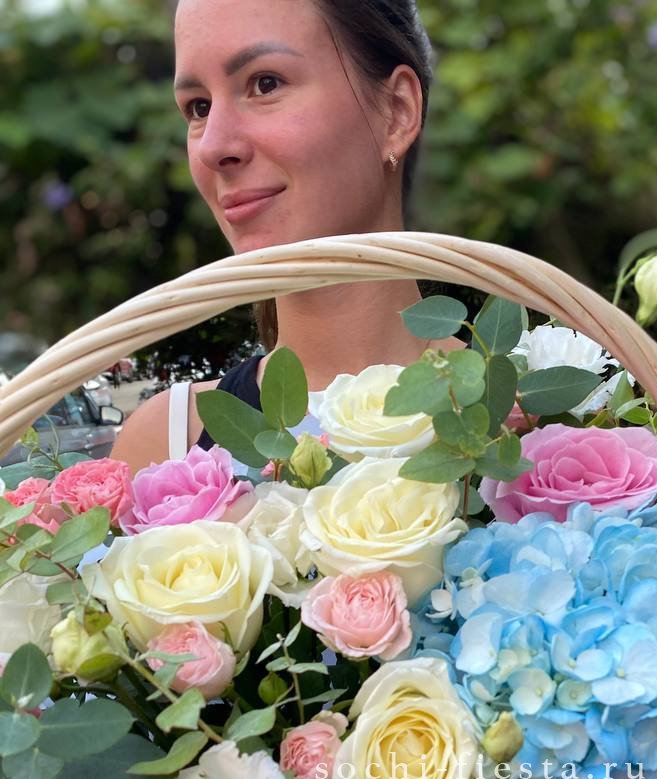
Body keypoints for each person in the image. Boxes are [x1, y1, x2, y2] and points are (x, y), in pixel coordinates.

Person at [112, 0, 464, 473]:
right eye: (199, 107)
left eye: (266, 83)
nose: (213, 147)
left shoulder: (534, 415)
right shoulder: (165, 445)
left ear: (396, 112)